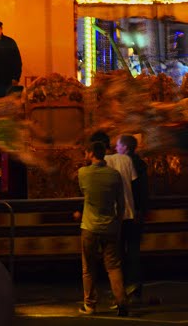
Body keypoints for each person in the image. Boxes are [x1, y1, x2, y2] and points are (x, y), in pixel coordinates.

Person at [77, 141, 129, 317]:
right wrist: (118, 224)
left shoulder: (83, 173)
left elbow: (85, 193)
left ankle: (90, 305)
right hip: (110, 227)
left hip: (89, 227)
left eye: (86, 153)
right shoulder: (114, 176)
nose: (84, 156)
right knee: (113, 267)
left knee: (88, 268)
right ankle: (122, 303)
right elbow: (121, 204)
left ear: (91, 153)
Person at [118, 134, 148, 302]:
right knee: (134, 251)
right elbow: (143, 190)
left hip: (126, 214)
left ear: (125, 148)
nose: (116, 149)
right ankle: (136, 289)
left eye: (118, 146)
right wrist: (141, 209)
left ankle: (126, 288)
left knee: (122, 251)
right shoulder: (140, 164)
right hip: (136, 213)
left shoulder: (125, 164)